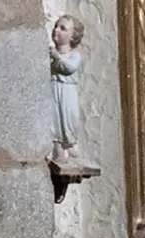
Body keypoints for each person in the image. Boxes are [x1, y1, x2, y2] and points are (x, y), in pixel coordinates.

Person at [49, 14, 84, 165]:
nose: (56, 30)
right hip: (53, 90)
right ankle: (57, 151)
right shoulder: (49, 55)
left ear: (72, 36)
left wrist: (57, 57)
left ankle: (68, 147)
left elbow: (69, 68)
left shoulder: (74, 55)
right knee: (54, 120)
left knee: (68, 120)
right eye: (56, 26)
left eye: (63, 28)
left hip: (67, 93)